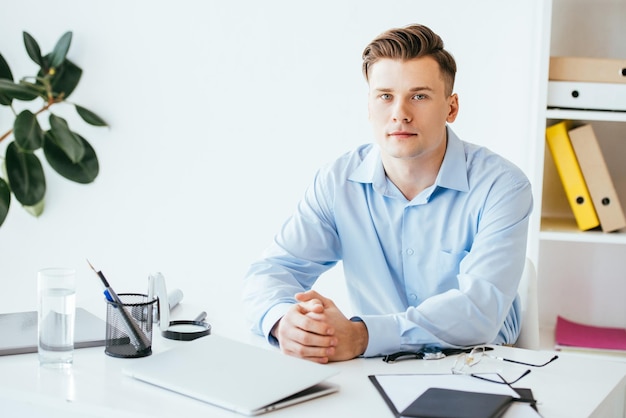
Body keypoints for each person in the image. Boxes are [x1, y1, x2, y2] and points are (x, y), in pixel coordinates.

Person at [242, 23, 533, 364]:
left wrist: (362, 335)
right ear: (369, 106)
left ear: (451, 108)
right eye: (385, 96)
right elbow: (272, 270)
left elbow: (479, 311)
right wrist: (283, 322)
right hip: (376, 365)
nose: (400, 114)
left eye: (419, 96)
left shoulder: (502, 186)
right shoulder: (338, 182)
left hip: (476, 364)